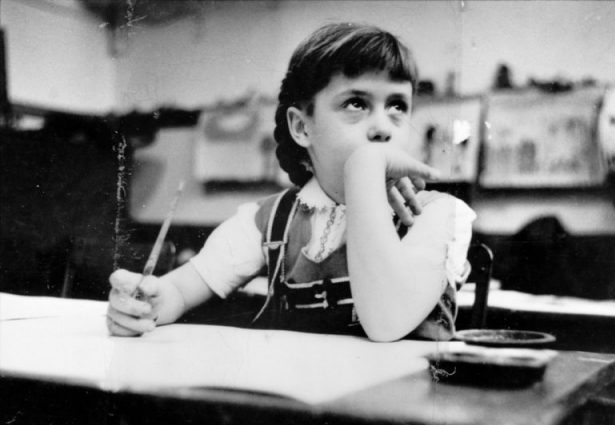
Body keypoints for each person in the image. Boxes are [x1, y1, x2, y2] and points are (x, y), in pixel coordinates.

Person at [107, 22, 476, 342]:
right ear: (301, 127)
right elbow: (180, 291)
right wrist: (148, 303)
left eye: (397, 106)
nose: (382, 127)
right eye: (356, 104)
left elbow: (386, 322)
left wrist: (364, 167)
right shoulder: (269, 219)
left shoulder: (439, 216)